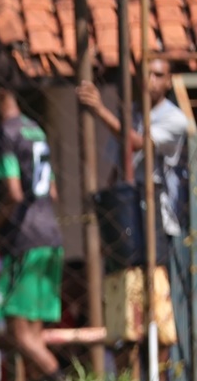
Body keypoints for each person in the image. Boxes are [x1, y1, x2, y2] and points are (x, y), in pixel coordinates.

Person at [0, 55, 64, 381]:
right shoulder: (33, 128)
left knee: (19, 334)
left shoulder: (6, 134)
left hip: (25, 238)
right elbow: (50, 191)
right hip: (51, 235)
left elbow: (13, 193)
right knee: (34, 332)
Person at [77, 58, 188, 244]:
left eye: (158, 75)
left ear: (169, 80)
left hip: (159, 215)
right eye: (146, 74)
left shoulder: (175, 118)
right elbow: (116, 167)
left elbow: (136, 142)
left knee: (158, 271)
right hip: (127, 213)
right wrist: (109, 211)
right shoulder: (130, 115)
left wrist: (99, 108)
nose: (151, 80)